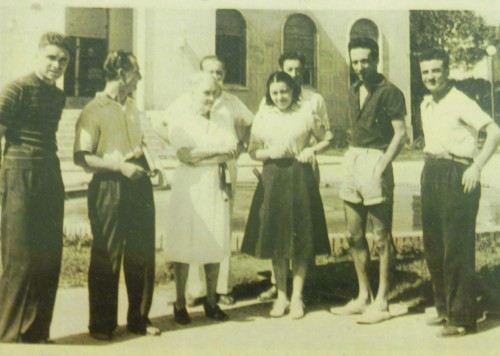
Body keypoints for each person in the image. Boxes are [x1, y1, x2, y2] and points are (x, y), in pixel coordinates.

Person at [74, 50, 160, 340]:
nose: (140, 79)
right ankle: (101, 324)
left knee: (142, 254)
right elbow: (82, 157)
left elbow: (139, 143)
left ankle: (139, 319)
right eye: (136, 73)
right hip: (109, 185)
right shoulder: (93, 109)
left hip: (138, 183)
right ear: (121, 73)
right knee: (107, 255)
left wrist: (152, 166)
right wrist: (119, 166)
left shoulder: (132, 107)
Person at [418, 48, 500, 337]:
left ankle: (463, 318)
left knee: (456, 247)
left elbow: (494, 132)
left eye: (436, 70)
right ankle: (445, 309)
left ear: (447, 71)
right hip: (431, 172)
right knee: (433, 246)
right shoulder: (425, 103)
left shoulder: (460, 101)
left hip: (458, 174)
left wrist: (476, 167)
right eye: (426, 71)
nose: (431, 76)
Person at [241, 71, 331, 319]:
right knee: (277, 240)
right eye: (275, 93)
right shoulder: (263, 116)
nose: (280, 96)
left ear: (293, 91)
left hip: (300, 178)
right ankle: (281, 296)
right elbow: (252, 151)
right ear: (269, 95)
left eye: (284, 91)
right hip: (273, 180)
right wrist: (270, 153)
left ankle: (297, 297)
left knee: (301, 240)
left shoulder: (305, 113)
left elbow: (329, 138)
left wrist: (311, 150)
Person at [0, 32, 71, 344]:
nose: (56, 65)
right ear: (38, 56)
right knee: (20, 256)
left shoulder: (58, 96)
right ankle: (7, 335)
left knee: (49, 254)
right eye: (51, 58)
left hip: (49, 173)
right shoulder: (16, 88)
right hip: (18, 172)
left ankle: (37, 332)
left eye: (63, 60)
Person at [330, 37, 407, 324]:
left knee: (382, 237)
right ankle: (364, 296)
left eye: (365, 61)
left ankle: (383, 300)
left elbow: (401, 134)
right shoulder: (353, 89)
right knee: (353, 234)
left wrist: (382, 166)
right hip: (353, 160)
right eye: (356, 61)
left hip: (377, 160)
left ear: (376, 60)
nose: (360, 66)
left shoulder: (390, 92)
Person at [165, 56, 253, 306]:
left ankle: (217, 293)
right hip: (190, 181)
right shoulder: (183, 106)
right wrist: (209, 152)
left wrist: (216, 151)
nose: (215, 82)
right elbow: (184, 152)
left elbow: (233, 145)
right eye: (210, 74)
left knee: (218, 231)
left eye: (220, 73)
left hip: (219, 177)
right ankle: (191, 293)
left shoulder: (227, 105)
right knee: (188, 234)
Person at [161, 72, 237, 324]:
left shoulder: (223, 117)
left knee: (214, 239)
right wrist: (216, 150)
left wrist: (202, 155)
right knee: (184, 242)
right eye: (206, 92)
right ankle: (180, 303)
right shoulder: (180, 117)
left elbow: (232, 150)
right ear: (192, 91)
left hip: (214, 183)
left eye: (215, 92)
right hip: (188, 186)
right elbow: (184, 155)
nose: (211, 98)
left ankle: (212, 301)